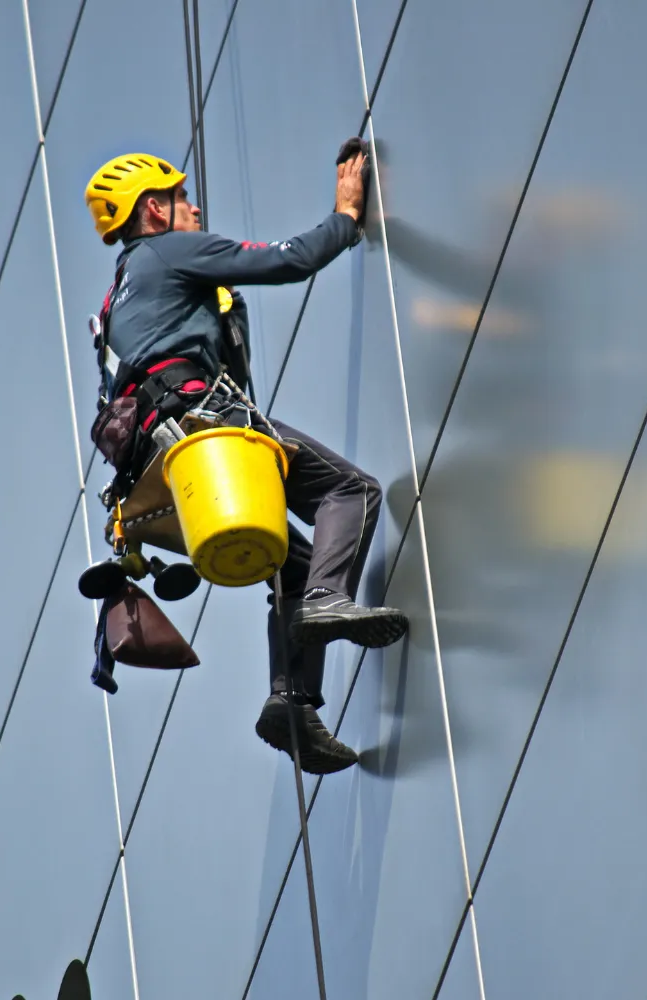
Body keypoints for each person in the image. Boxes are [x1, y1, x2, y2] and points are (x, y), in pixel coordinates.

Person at [83, 147, 408, 774]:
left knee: (296, 561)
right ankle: (327, 602)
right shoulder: (167, 252)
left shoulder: (117, 296)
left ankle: (291, 703)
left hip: (159, 470)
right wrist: (345, 217)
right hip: (204, 428)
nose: (195, 206)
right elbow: (288, 261)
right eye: (181, 197)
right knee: (352, 492)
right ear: (154, 209)